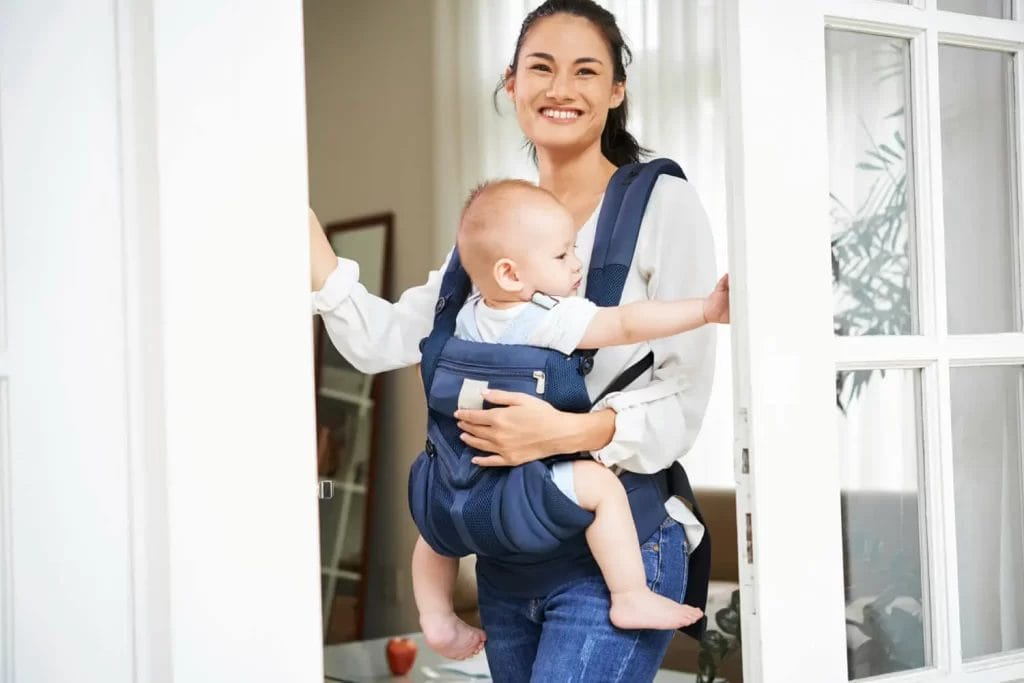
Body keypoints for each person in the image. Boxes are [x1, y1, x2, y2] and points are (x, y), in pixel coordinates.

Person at [310, 1, 719, 679]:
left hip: (617, 548)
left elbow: (682, 400)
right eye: (541, 67)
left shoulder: (662, 205)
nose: (561, 87)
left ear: (617, 89)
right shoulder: (498, 228)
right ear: (511, 82)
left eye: (586, 70)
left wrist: (558, 433)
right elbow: (385, 339)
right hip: (508, 554)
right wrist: (315, 252)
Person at [408, 179, 728, 659]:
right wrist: (705, 310)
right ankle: (629, 595)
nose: (576, 264)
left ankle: (434, 616)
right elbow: (626, 322)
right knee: (602, 489)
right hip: (528, 481)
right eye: (562, 257)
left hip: (461, 476)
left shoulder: (461, 319)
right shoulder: (547, 317)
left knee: (435, 530)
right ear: (512, 275)